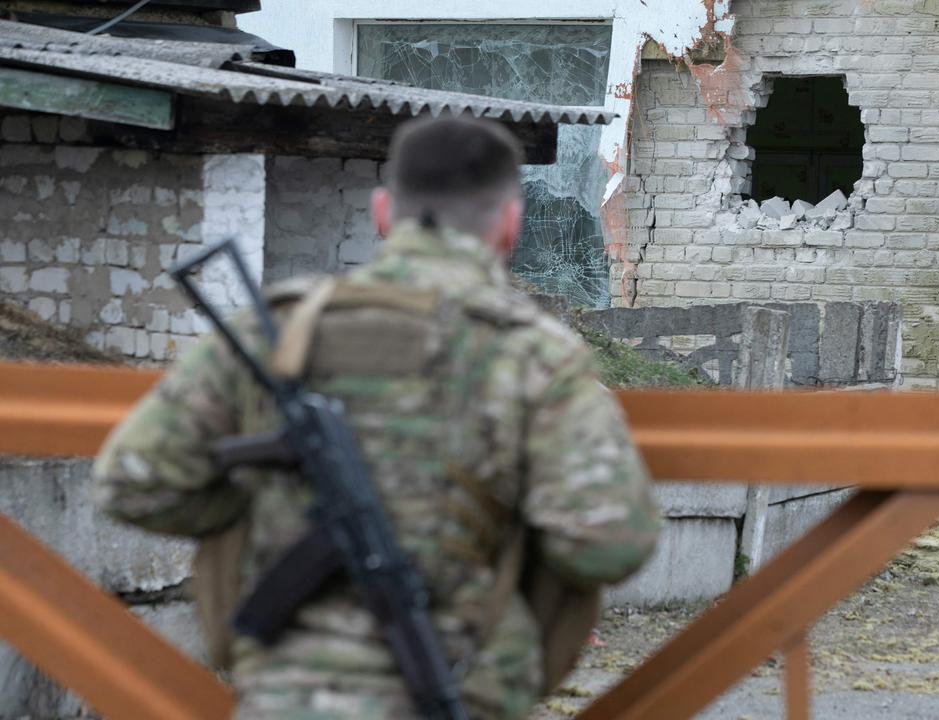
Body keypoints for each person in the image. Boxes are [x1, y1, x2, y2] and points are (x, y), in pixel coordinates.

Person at [92, 115, 662, 719]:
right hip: (466, 685)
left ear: (383, 213)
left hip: (287, 693)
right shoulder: (535, 355)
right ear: (510, 226)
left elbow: (134, 482)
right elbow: (609, 546)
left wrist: (260, 502)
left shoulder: (279, 331)